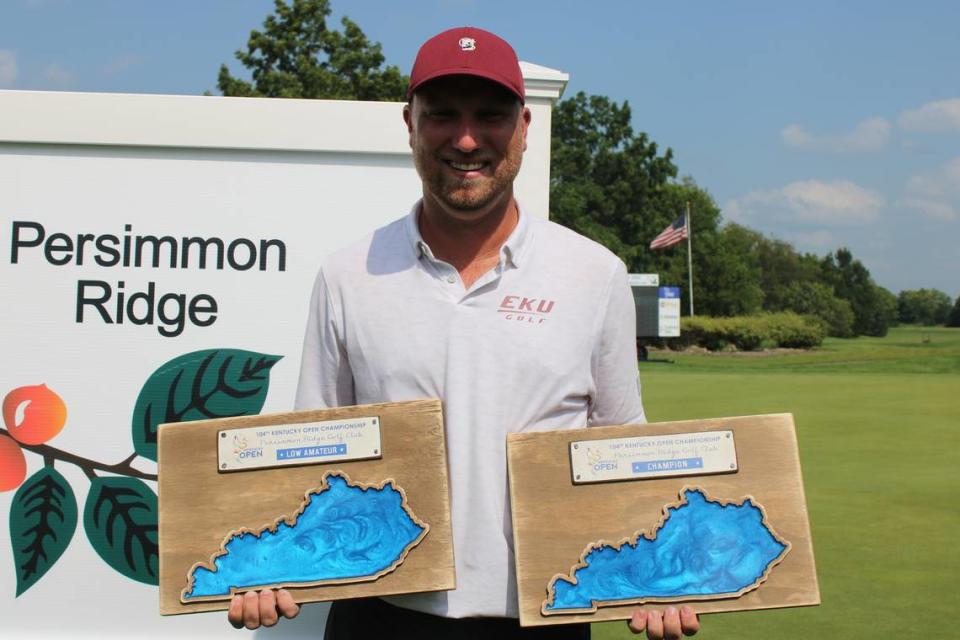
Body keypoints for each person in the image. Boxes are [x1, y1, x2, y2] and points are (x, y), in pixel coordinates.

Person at [228, 26, 700, 640]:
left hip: (543, 614)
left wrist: (654, 577)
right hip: (381, 615)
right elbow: (311, 445)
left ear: (524, 126)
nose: (467, 138)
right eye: (443, 115)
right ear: (410, 123)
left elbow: (619, 448)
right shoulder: (347, 273)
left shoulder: (594, 273)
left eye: (491, 116)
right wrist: (267, 562)